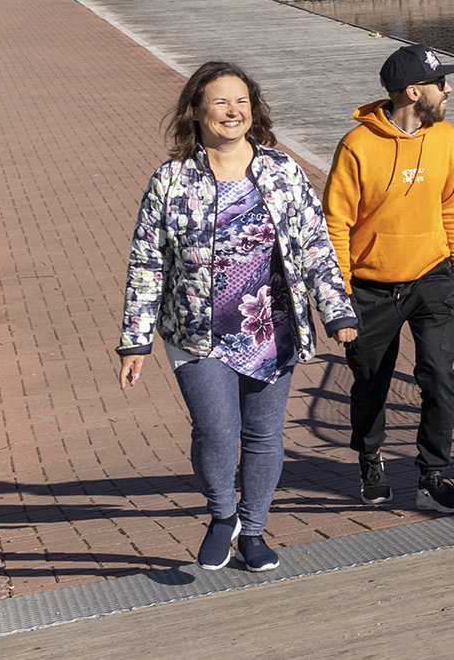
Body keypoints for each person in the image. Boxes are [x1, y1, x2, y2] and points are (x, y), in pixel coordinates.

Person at [119, 62, 358, 573]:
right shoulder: (171, 179)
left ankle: (253, 532)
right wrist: (135, 341)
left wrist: (336, 310)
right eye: (221, 102)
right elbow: (148, 260)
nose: (233, 111)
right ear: (198, 111)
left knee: (266, 436)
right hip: (196, 333)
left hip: (271, 326)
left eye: (242, 102)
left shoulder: (280, 169)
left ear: (255, 110)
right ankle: (222, 515)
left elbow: (315, 243)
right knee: (214, 431)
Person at [326, 43, 454, 514]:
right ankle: (370, 458)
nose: (448, 89)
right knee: (370, 382)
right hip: (370, 287)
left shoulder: (446, 136)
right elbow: (336, 222)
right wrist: (341, 295)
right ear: (413, 92)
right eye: (440, 83)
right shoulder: (357, 146)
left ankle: (433, 474)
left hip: (431, 276)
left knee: (439, 377)